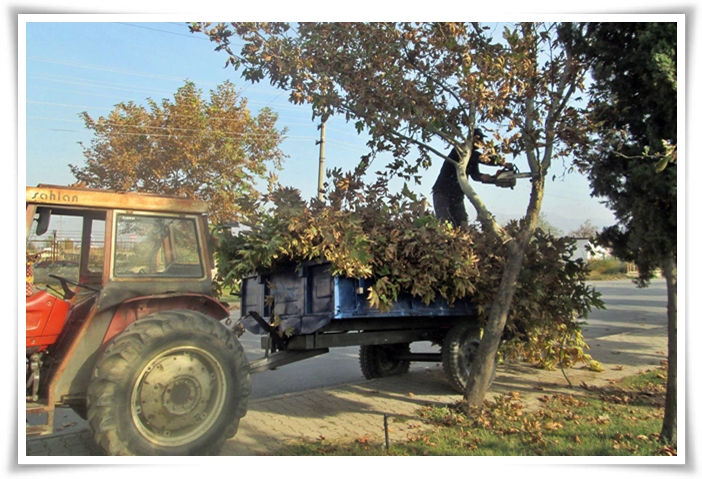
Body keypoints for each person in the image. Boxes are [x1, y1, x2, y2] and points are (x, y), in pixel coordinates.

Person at [431, 128, 506, 228]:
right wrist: (501, 163)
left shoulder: (471, 157)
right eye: (480, 140)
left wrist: (487, 178)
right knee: (445, 223)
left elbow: (475, 175)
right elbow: (483, 159)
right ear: (475, 138)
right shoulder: (461, 151)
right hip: (442, 192)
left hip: (457, 194)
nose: (482, 143)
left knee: (462, 224)